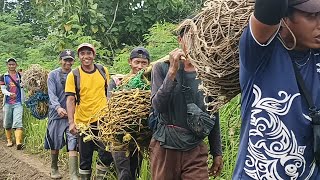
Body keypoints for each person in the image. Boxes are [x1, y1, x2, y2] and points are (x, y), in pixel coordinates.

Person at [233, 0, 320, 179]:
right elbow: (269, 8)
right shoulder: (259, 54)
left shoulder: (316, 57)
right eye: (312, 16)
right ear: (284, 18)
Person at [149, 21, 223, 180]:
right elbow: (158, 107)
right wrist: (172, 73)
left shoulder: (208, 73)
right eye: (188, 38)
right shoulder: (161, 68)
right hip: (165, 147)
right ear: (180, 40)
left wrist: (217, 152)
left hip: (194, 148)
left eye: (197, 38)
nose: (193, 43)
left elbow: (212, 114)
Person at [65, 43, 113, 180]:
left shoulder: (103, 70)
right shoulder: (74, 75)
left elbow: (109, 93)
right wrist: (71, 122)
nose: (86, 56)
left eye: (89, 53)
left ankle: (100, 178)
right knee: (85, 157)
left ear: (94, 55)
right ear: (79, 56)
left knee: (106, 152)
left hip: (104, 120)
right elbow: (70, 100)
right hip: (84, 122)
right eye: (83, 53)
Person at [107, 47, 150, 180]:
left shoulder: (151, 83)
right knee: (124, 173)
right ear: (129, 62)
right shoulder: (117, 81)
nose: (140, 66)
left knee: (135, 171)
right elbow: (110, 105)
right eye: (137, 62)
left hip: (141, 136)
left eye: (144, 63)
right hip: (119, 135)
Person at [44, 50, 78, 179]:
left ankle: (73, 174)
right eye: (65, 60)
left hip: (72, 116)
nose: (68, 62)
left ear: (73, 61)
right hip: (56, 114)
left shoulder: (76, 75)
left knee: (73, 142)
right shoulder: (52, 75)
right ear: (60, 60)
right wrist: (58, 107)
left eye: (70, 60)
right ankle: (54, 168)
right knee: (55, 142)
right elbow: (51, 94)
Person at [0, 58, 24, 150]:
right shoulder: (3, 77)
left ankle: (18, 142)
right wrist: (10, 94)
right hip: (8, 103)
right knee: (7, 123)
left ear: (16, 65)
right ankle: (9, 140)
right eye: (9, 64)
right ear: (7, 65)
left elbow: (24, 85)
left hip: (18, 102)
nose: (11, 66)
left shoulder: (20, 75)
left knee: (18, 122)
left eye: (13, 64)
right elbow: (3, 89)